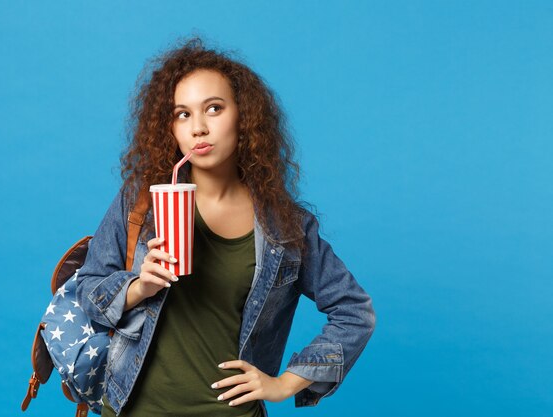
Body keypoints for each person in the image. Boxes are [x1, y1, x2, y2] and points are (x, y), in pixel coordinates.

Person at [76, 37, 375, 417]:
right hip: (133, 409)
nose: (198, 128)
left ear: (243, 117)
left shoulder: (285, 227)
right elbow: (87, 291)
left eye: (213, 109)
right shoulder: (142, 202)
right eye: (182, 114)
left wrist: (286, 382)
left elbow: (354, 311)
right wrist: (138, 287)